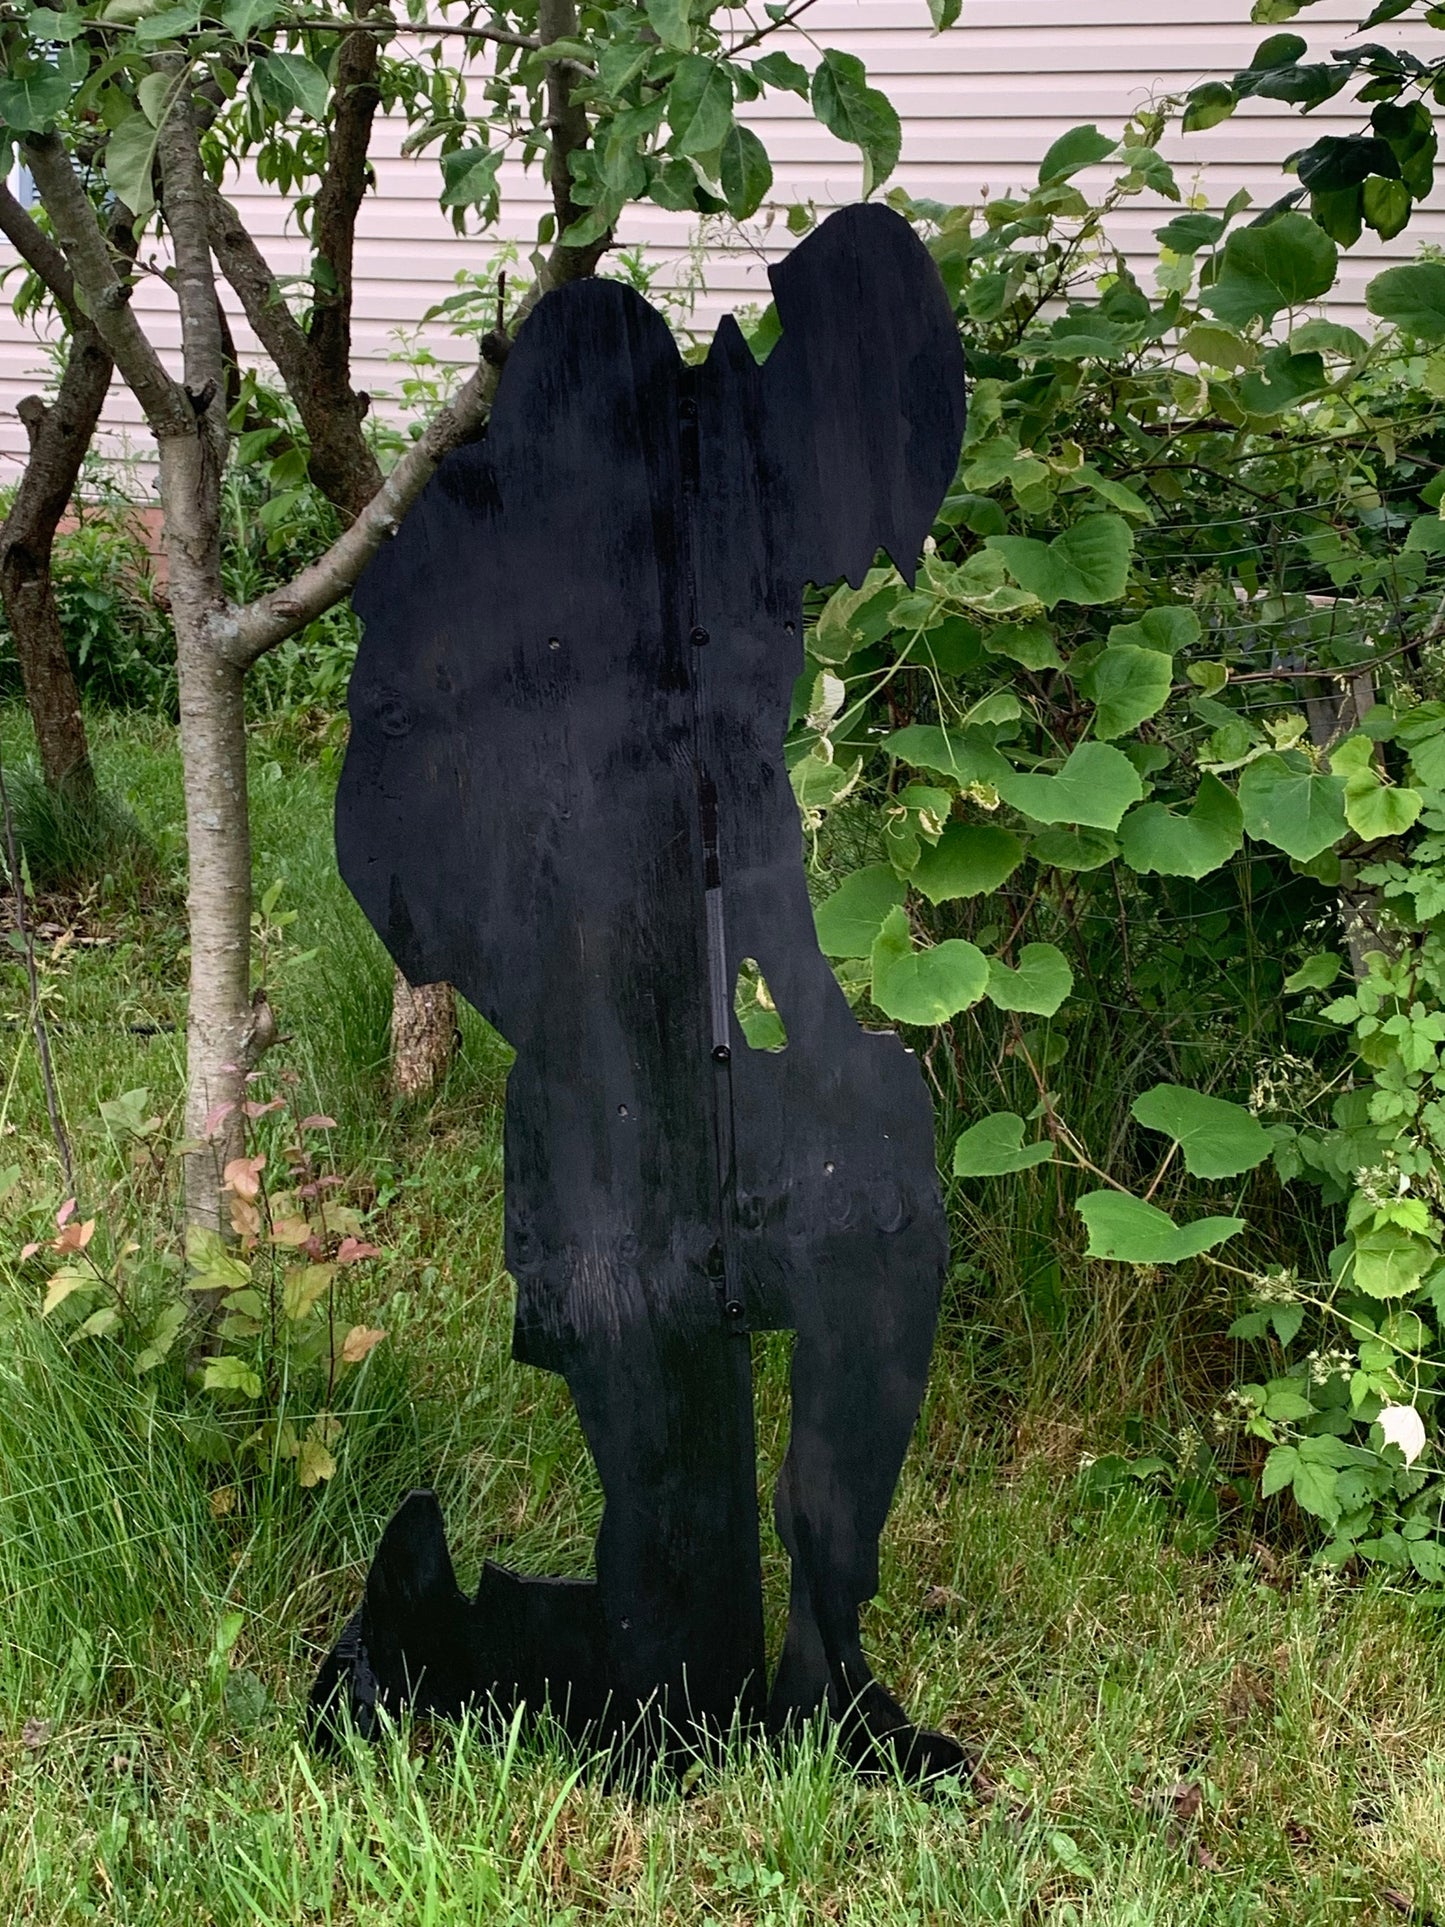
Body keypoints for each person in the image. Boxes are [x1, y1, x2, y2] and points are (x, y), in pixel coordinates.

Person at [313, 202, 968, 1776]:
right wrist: (584, 1015)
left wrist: (813, 1034)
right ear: (824, 435)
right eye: (855, 523)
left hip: (682, 1068)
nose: (841, 564)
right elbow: (406, 837)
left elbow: (741, 794)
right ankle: (422, 1639)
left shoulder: (728, 522)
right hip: (599, 1090)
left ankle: (826, 1668)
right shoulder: (593, 492)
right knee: (671, 1682)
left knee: (878, 1189)